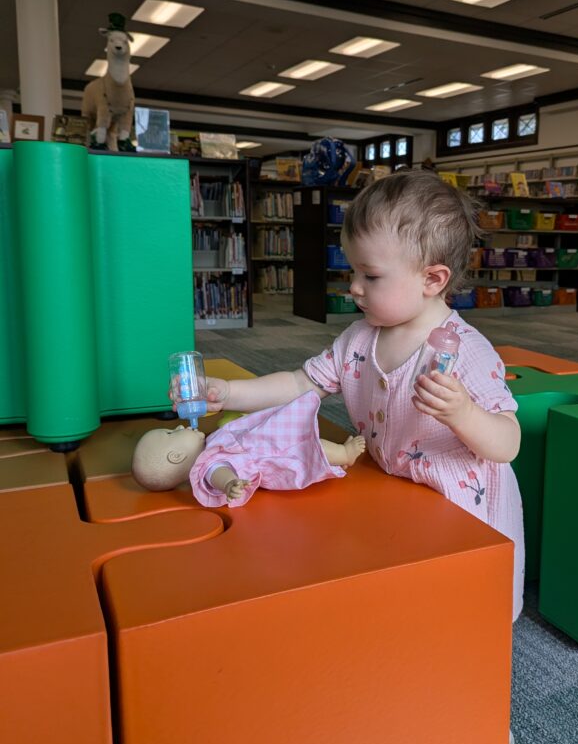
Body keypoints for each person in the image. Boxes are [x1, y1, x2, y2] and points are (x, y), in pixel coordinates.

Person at [177, 170, 524, 616]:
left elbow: (507, 444)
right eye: (352, 270)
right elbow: (300, 384)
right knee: (399, 599)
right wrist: (227, 391)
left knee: (466, 609)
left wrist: (463, 413)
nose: (353, 288)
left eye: (371, 275)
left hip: (463, 511)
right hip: (397, 491)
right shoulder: (360, 339)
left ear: (433, 280)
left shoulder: (464, 351)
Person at [133, 389, 366, 507]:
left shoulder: (210, 446)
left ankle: (339, 454)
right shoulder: (206, 466)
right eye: (172, 433)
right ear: (176, 456)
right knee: (309, 450)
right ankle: (345, 454)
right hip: (273, 455)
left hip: (268, 442)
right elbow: (219, 474)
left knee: (306, 443)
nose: (180, 426)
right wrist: (229, 484)